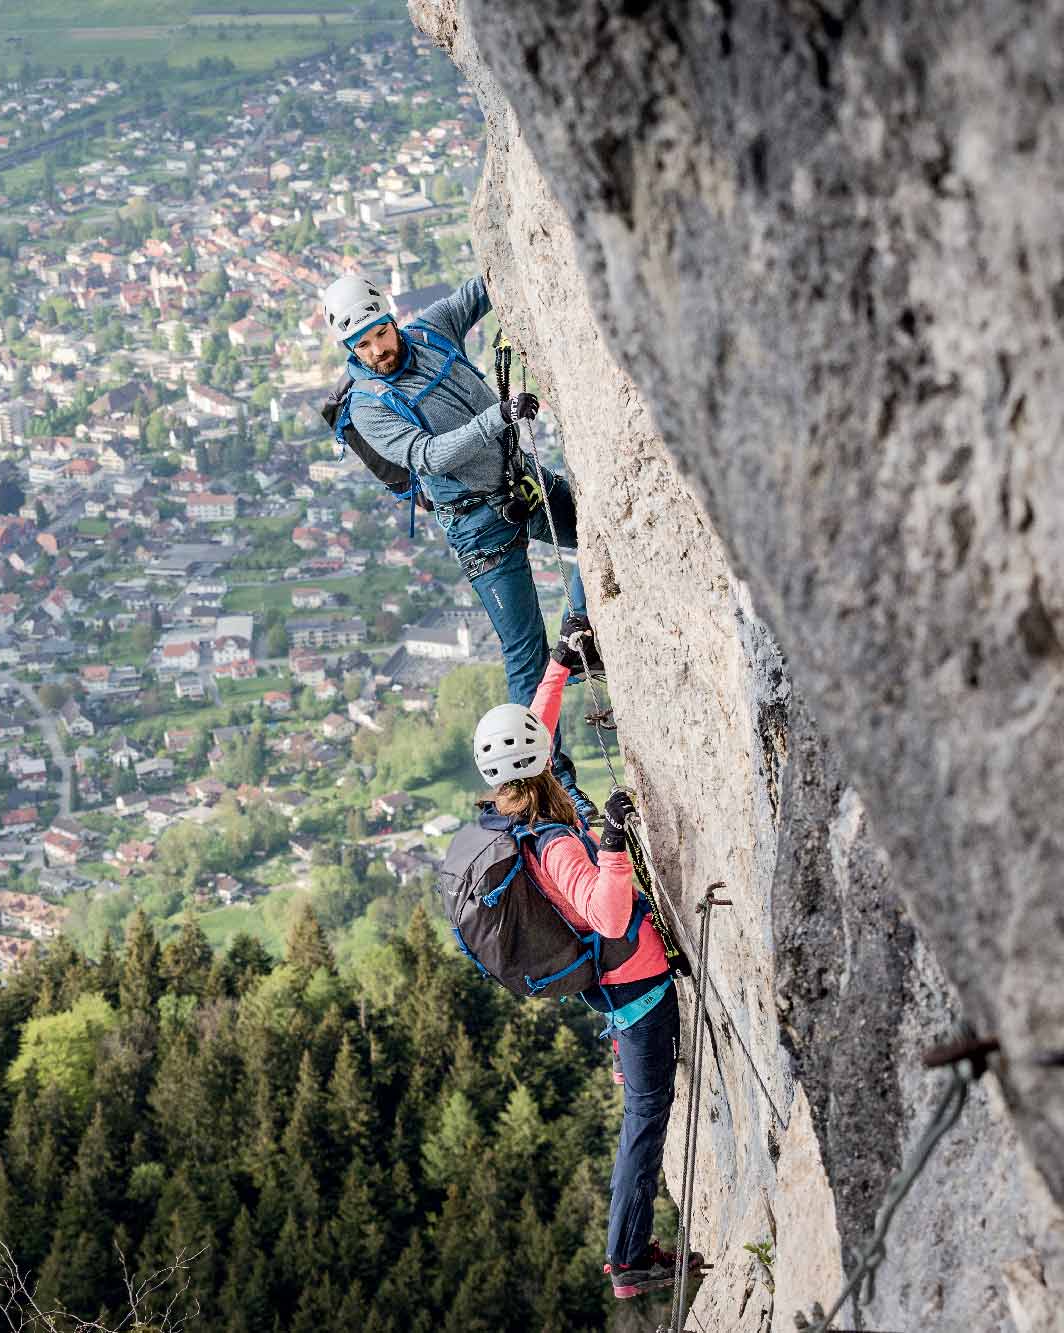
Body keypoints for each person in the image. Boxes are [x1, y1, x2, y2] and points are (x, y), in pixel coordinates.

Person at [470, 629, 701, 1300]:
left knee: (645, 1104)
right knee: (648, 1110)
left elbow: (533, 732)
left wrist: (558, 667)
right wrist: (613, 842)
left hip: (613, 985)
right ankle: (627, 1257)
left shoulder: (505, 809)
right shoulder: (552, 844)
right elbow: (605, 911)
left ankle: (628, 1253)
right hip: (637, 987)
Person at [321, 272, 601, 821]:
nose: (378, 349)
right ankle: (556, 787)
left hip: (520, 481)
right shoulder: (370, 406)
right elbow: (428, 456)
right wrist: (498, 416)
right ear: (349, 348)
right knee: (525, 655)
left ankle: (583, 632)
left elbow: (485, 286)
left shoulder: (430, 332)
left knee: (604, 533)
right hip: (477, 526)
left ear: (390, 317)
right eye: (363, 343)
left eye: (380, 332)